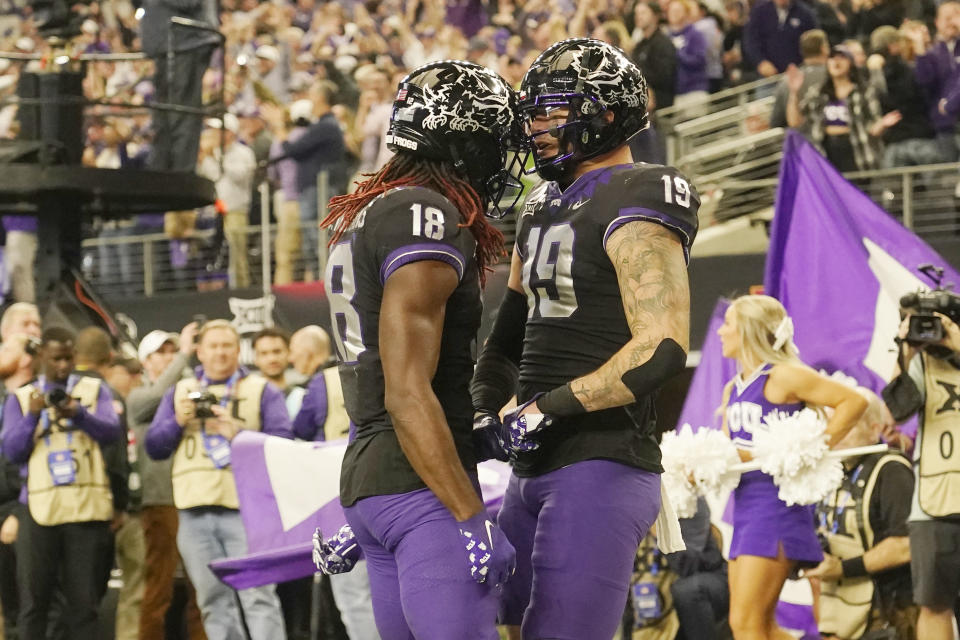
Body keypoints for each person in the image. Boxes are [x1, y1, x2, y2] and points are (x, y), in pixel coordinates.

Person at [469, 38, 698, 640]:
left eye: (553, 111)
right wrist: (483, 407)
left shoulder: (642, 190)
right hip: (531, 466)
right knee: (503, 627)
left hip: (603, 458)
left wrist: (546, 407)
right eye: (534, 113)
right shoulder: (541, 203)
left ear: (607, 112)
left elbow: (662, 347)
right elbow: (507, 337)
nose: (537, 127)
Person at [315, 60, 521, 639]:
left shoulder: (368, 213)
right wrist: (469, 515)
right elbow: (407, 393)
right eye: (492, 143)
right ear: (462, 144)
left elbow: (376, 386)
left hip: (371, 482)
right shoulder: (423, 213)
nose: (500, 159)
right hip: (422, 490)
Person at [716, 295, 868, 640]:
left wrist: (807, 450)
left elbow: (853, 401)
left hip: (775, 508)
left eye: (728, 324)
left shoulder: (783, 376)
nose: (720, 332)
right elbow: (732, 452)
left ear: (749, 332)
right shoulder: (732, 389)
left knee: (748, 624)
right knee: (754, 625)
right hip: (745, 508)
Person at [146, 319, 292, 640]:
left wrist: (237, 433)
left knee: (259, 597)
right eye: (213, 346)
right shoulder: (180, 393)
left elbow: (284, 445)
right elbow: (154, 447)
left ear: (239, 351)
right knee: (212, 601)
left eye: (227, 346)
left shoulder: (261, 390)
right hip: (193, 511)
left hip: (247, 511)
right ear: (199, 352)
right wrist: (177, 420)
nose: (221, 353)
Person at [0, 327, 123, 640]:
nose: (64, 366)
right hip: (39, 511)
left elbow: (111, 432)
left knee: (85, 606)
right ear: (41, 357)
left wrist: (78, 413)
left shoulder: (95, 390)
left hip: (85, 512)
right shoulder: (22, 397)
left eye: (69, 358)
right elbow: (12, 451)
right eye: (57, 359)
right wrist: (33, 417)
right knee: (34, 604)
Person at [807, 387, 916, 640]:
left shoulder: (891, 470)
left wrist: (844, 568)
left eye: (850, 424)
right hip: (837, 611)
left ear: (874, 429)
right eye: (834, 423)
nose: (838, 433)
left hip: (886, 612)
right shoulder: (830, 473)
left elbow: (905, 545)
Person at [882, 301, 960, 640]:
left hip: (935, 502)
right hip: (932, 503)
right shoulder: (921, 361)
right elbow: (893, 413)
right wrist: (906, 351)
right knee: (933, 604)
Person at [129, 326, 207, 640]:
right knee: (159, 584)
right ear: (145, 361)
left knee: (201, 585)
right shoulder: (139, 397)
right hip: (161, 501)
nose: (170, 356)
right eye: (161, 352)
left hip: (194, 495)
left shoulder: (189, 389)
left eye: (172, 350)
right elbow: (160, 391)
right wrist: (186, 354)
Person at [262, 81, 347, 282]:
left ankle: (323, 281)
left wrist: (278, 126)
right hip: (312, 189)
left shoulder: (326, 125)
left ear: (320, 98)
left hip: (318, 190)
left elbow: (292, 150)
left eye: (312, 95)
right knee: (312, 240)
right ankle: (319, 278)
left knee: (316, 238)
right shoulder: (323, 125)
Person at [786, 45, 900, 172]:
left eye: (841, 58)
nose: (836, 62)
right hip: (826, 157)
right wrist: (793, 92)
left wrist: (883, 124)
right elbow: (794, 122)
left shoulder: (865, 92)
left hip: (859, 155)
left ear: (850, 63)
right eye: (832, 58)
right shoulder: (817, 93)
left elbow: (873, 128)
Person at [140, 0, 219, 172]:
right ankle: (161, 171)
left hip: (187, 43)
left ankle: (180, 175)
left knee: (182, 115)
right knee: (164, 117)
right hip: (168, 45)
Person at [198, 114, 257, 289]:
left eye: (217, 131)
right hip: (216, 213)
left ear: (229, 133)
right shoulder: (216, 153)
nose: (213, 134)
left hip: (236, 211)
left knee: (237, 256)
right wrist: (206, 158)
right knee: (217, 256)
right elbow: (212, 176)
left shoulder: (243, 152)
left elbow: (240, 176)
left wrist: (218, 159)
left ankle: (241, 289)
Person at [289, 325, 348, 441]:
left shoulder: (319, 383)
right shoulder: (352, 374)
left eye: (292, 351)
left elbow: (302, 429)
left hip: (331, 455)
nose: (290, 358)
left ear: (307, 354)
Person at [770, 29, 829, 130]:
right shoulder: (834, 75)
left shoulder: (787, 80)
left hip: (801, 141)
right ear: (824, 48)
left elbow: (776, 122)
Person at [743, 0, 818, 77]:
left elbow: (814, 44)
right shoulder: (759, 11)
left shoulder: (805, 14)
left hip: (800, 74)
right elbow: (751, 41)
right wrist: (761, 62)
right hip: (768, 78)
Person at [252, 327, 305, 418]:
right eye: (264, 353)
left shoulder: (302, 397)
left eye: (277, 351)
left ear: (288, 353)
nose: (272, 359)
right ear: (255, 358)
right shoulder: (248, 398)